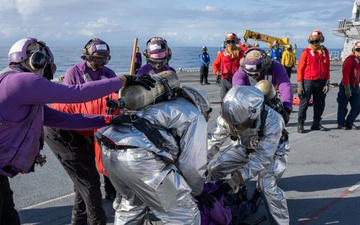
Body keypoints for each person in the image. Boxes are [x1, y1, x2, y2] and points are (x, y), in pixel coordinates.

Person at [0, 37, 155, 225]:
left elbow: (65, 119)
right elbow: (75, 94)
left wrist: (109, 119)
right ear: (36, 60)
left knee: (8, 215)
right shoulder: (21, 81)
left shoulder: (18, 87)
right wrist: (123, 80)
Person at [96, 72, 215, 224]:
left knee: (131, 206)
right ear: (203, 107)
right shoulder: (195, 115)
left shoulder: (159, 104)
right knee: (184, 215)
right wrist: (198, 192)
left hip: (109, 146)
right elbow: (192, 166)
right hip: (139, 157)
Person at [44, 38, 119, 225]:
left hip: (93, 126)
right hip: (70, 128)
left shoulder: (109, 74)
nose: (100, 63)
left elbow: (113, 102)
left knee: (85, 181)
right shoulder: (74, 72)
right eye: (96, 59)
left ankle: (78, 220)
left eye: (104, 59)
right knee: (89, 181)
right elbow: (72, 103)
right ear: (87, 56)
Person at [206, 85, 290, 225]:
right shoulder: (228, 117)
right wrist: (195, 167)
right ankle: (228, 202)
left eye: (240, 124)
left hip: (274, 151)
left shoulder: (273, 120)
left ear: (254, 112)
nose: (237, 128)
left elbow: (262, 157)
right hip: (245, 145)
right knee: (214, 169)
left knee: (267, 187)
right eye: (234, 125)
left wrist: (235, 180)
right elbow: (212, 142)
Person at [232, 47, 293, 125]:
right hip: (249, 105)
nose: (255, 77)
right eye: (251, 75)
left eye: (258, 74)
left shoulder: (276, 67)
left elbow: (285, 86)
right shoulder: (240, 73)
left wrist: (287, 108)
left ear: (266, 65)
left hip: (270, 102)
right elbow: (237, 91)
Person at [297, 29, 330, 133]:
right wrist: (300, 85)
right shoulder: (306, 52)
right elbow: (300, 69)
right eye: (313, 41)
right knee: (304, 103)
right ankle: (300, 124)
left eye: (317, 41)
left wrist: (327, 82)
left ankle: (316, 123)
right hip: (308, 82)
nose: (315, 43)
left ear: (321, 40)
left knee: (320, 104)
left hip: (321, 82)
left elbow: (327, 67)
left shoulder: (325, 52)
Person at [198, 182, 262, 225]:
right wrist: (227, 209)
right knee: (235, 212)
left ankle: (238, 197)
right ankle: (253, 205)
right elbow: (225, 219)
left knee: (221, 195)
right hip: (218, 217)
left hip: (206, 200)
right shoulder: (207, 206)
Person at [212, 32, 244, 100]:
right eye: (229, 42)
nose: (231, 43)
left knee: (237, 98)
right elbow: (215, 64)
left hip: (237, 79)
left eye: (233, 41)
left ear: (236, 41)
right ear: (226, 43)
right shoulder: (222, 54)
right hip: (225, 79)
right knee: (224, 99)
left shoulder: (241, 52)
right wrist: (217, 72)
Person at [336, 41, 360, 130]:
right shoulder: (350, 59)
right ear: (355, 50)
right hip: (346, 86)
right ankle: (341, 123)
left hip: (356, 87)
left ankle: (349, 123)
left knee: (357, 106)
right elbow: (345, 74)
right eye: (359, 50)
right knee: (343, 105)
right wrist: (347, 88)